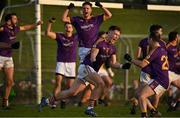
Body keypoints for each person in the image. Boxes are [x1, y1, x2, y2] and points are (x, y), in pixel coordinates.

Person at [38, 26, 131, 117]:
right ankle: (90, 108)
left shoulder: (113, 48)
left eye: (118, 35)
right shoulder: (100, 42)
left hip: (90, 70)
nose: (116, 36)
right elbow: (93, 54)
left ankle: (46, 101)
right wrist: (93, 58)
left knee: (72, 92)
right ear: (109, 32)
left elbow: (113, 63)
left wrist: (122, 66)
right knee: (100, 83)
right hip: (87, 67)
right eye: (115, 34)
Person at [0, 13, 42, 108]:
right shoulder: (3, 28)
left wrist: (36, 24)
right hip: (0, 56)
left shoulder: (15, 28)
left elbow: (25, 27)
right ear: (9, 20)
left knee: (10, 82)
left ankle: (5, 102)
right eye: (14, 18)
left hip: (8, 58)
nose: (16, 20)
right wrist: (10, 46)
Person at [124, 31, 169, 117]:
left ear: (151, 39)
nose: (147, 40)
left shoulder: (155, 50)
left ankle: (145, 115)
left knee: (141, 96)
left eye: (148, 39)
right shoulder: (163, 49)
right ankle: (152, 111)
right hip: (160, 78)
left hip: (160, 80)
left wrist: (130, 59)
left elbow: (142, 64)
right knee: (139, 93)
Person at [45, 18, 79, 108]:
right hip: (61, 62)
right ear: (65, 28)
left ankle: (63, 99)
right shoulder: (60, 36)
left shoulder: (76, 36)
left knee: (70, 86)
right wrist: (49, 23)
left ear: (72, 28)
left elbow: (86, 33)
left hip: (71, 64)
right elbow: (47, 33)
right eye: (67, 26)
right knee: (58, 82)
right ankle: (54, 102)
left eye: (70, 26)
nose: (68, 28)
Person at [166, 31, 180, 111]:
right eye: (178, 36)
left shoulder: (177, 46)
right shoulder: (168, 46)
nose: (179, 38)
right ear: (175, 38)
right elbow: (163, 56)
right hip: (167, 73)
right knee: (158, 92)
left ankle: (174, 103)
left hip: (173, 73)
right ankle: (152, 109)